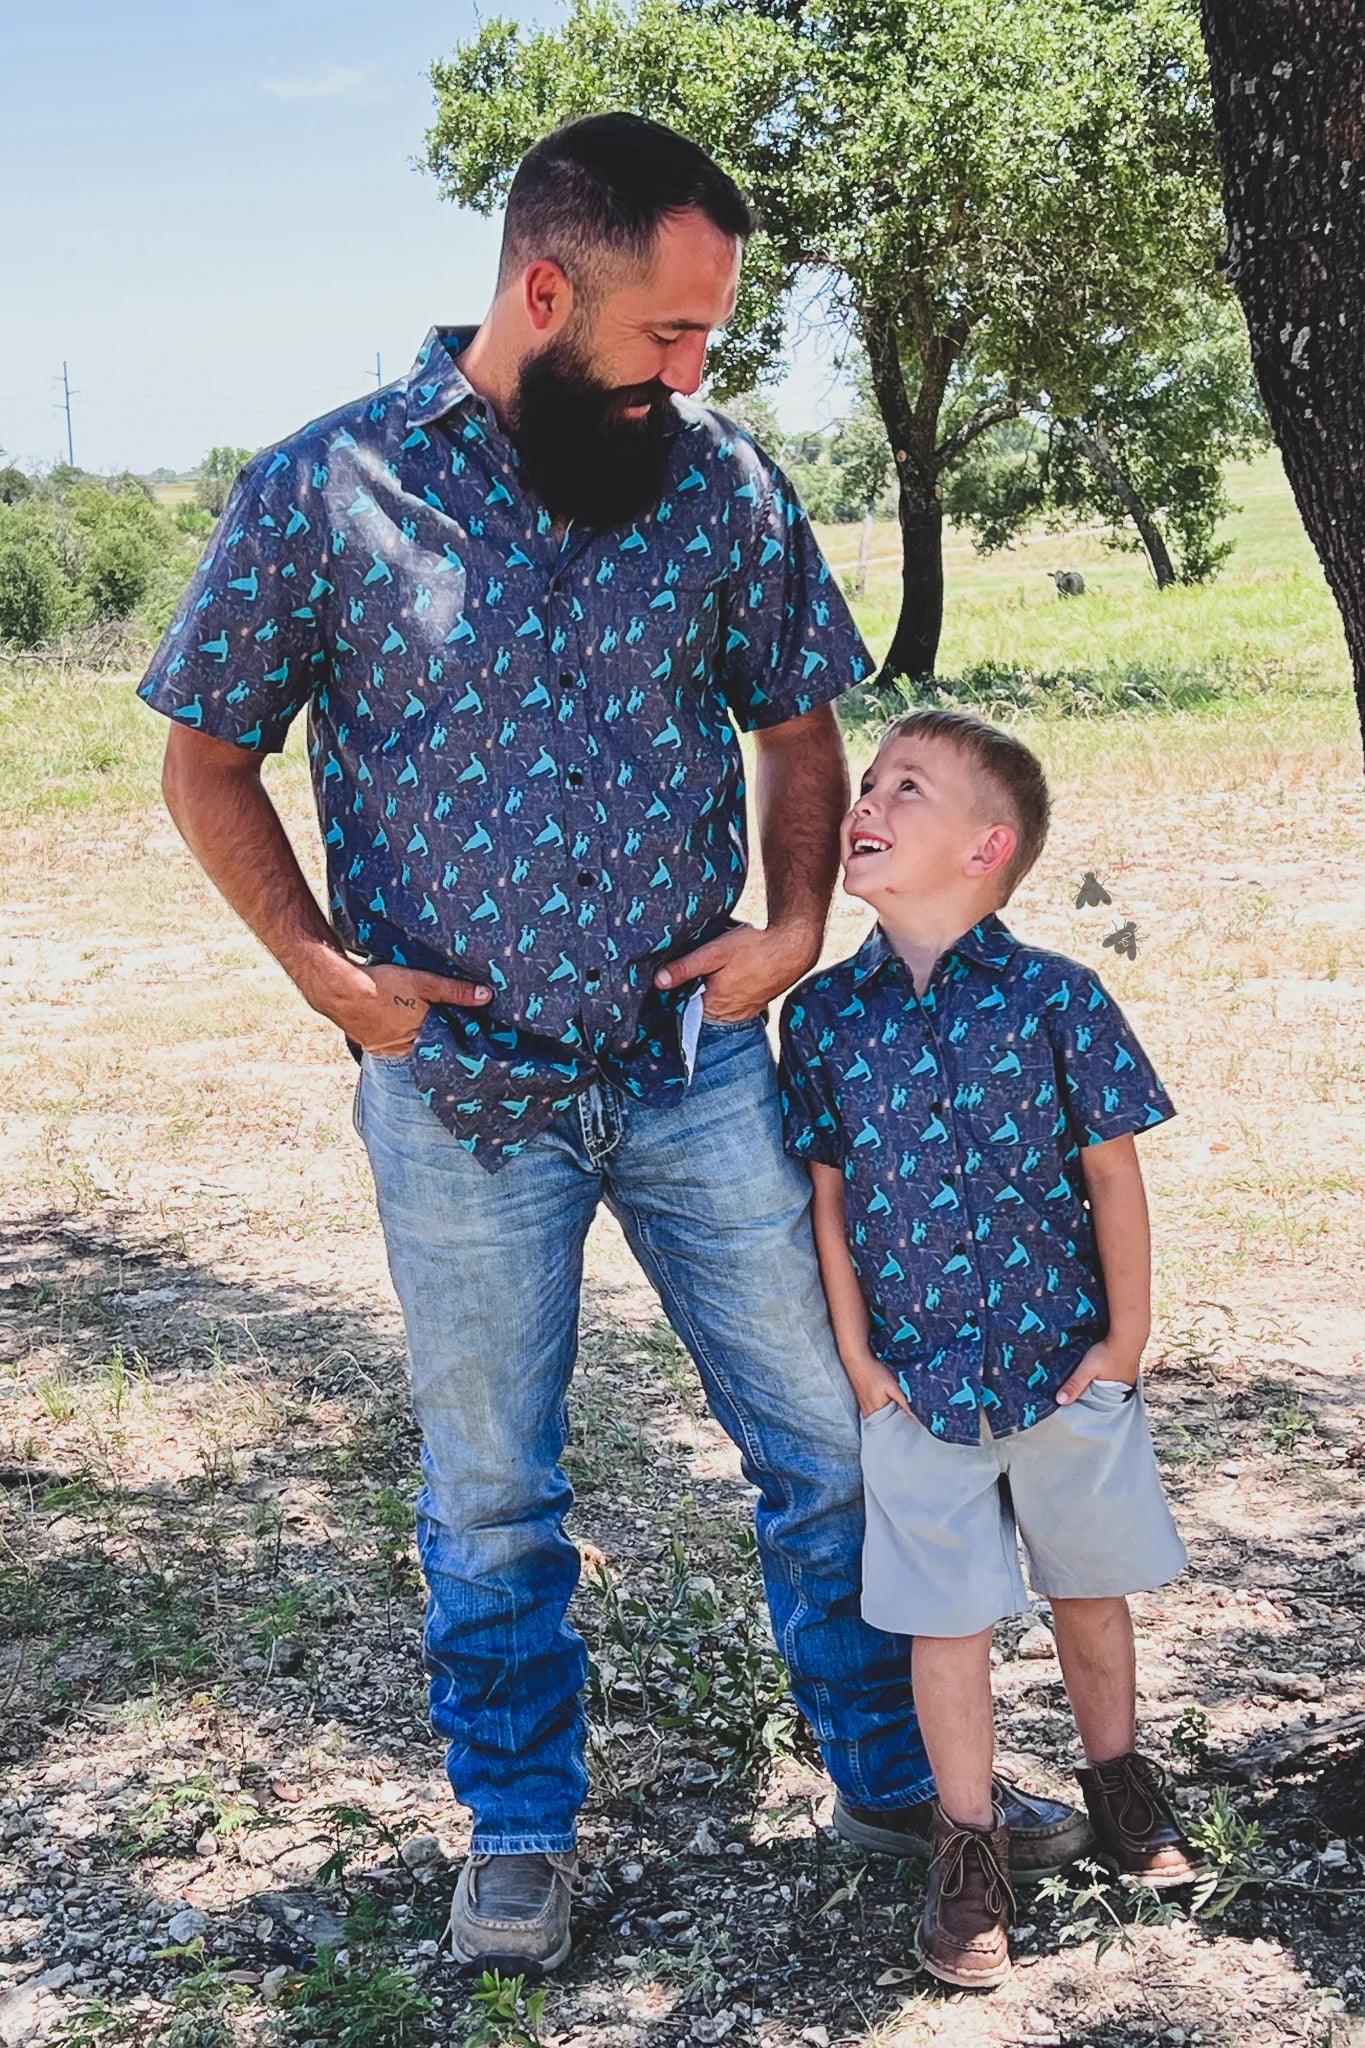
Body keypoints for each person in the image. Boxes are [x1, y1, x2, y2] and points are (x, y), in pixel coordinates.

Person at [136, 114, 1089, 1978]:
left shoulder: (719, 480)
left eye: (713, 340)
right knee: (493, 1480)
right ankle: (515, 1827)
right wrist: (319, 963)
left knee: (828, 1437)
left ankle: (894, 1777)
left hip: (695, 1071)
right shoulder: (324, 491)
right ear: (545, 292)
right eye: (669, 334)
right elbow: (205, 753)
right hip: (462, 1102)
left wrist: (796, 924)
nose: (694, 370)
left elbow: (800, 724)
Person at [780, 707, 1200, 1992]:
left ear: (986, 846)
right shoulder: (827, 1018)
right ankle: (968, 1848)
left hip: (1061, 1361)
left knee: (1088, 1583)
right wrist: (859, 1358)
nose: (869, 802)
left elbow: (1112, 1174)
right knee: (944, 1618)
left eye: (908, 788)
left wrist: (1125, 1339)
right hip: (916, 1379)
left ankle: (1117, 1776)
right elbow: (830, 1197)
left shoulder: (1057, 996)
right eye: (870, 784)